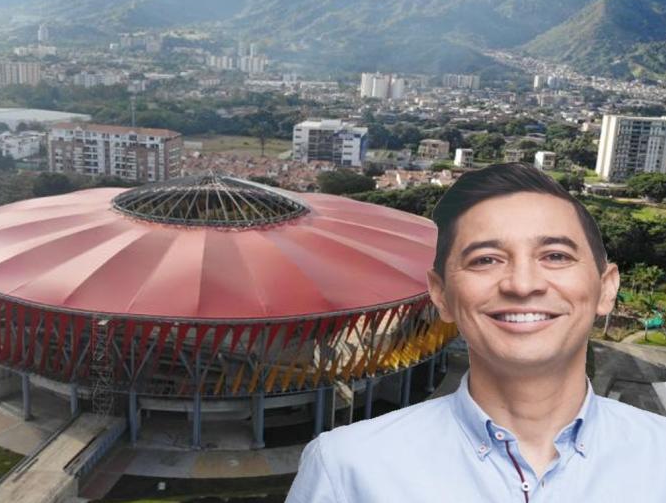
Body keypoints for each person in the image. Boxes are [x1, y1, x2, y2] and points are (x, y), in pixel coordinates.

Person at [285, 163, 666, 502]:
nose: (522, 284)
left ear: (607, 288)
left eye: (555, 256)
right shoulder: (347, 469)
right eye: (485, 260)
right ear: (441, 295)